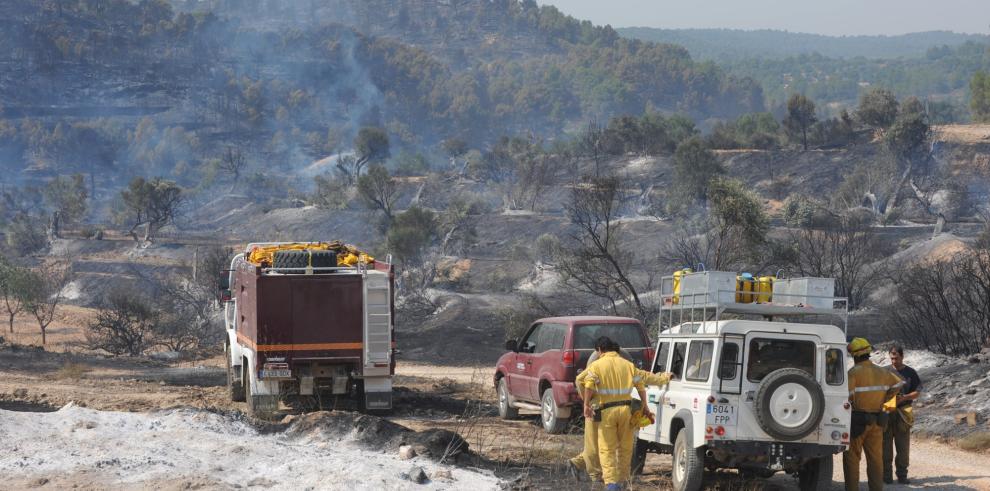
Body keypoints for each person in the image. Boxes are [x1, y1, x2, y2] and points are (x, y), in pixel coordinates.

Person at [569, 345, 671, 483]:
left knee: (604, 445)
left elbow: (579, 381)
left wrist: (587, 401)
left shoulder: (600, 365)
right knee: (596, 446)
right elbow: (644, 377)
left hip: (601, 409)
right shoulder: (620, 365)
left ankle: (578, 464)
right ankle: (596, 477)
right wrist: (663, 378)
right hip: (597, 411)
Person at [843, 337, 904, 491]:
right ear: (868, 353)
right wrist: (886, 400)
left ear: (855, 356)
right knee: (876, 460)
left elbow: (846, 397)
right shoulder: (882, 371)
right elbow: (899, 384)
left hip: (857, 422)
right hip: (877, 421)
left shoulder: (852, 373)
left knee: (852, 460)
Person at [883, 345, 922, 485]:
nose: (894, 361)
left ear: (902, 356)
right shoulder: (884, 372)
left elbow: (917, 392)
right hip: (887, 412)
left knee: (903, 447)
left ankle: (902, 475)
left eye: (897, 358)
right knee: (885, 446)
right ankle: (886, 476)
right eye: (892, 358)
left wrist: (903, 398)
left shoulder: (910, 372)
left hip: (903, 413)